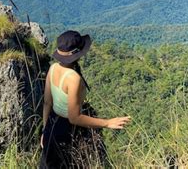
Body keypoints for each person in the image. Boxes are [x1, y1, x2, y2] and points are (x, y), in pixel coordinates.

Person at [39, 30, 131, 169]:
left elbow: (47, 103)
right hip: (67, 131)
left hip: (52, 123)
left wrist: (45, 131)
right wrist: (107, 123)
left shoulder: (53, 68)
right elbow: (74, 118)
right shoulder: (73, 78)